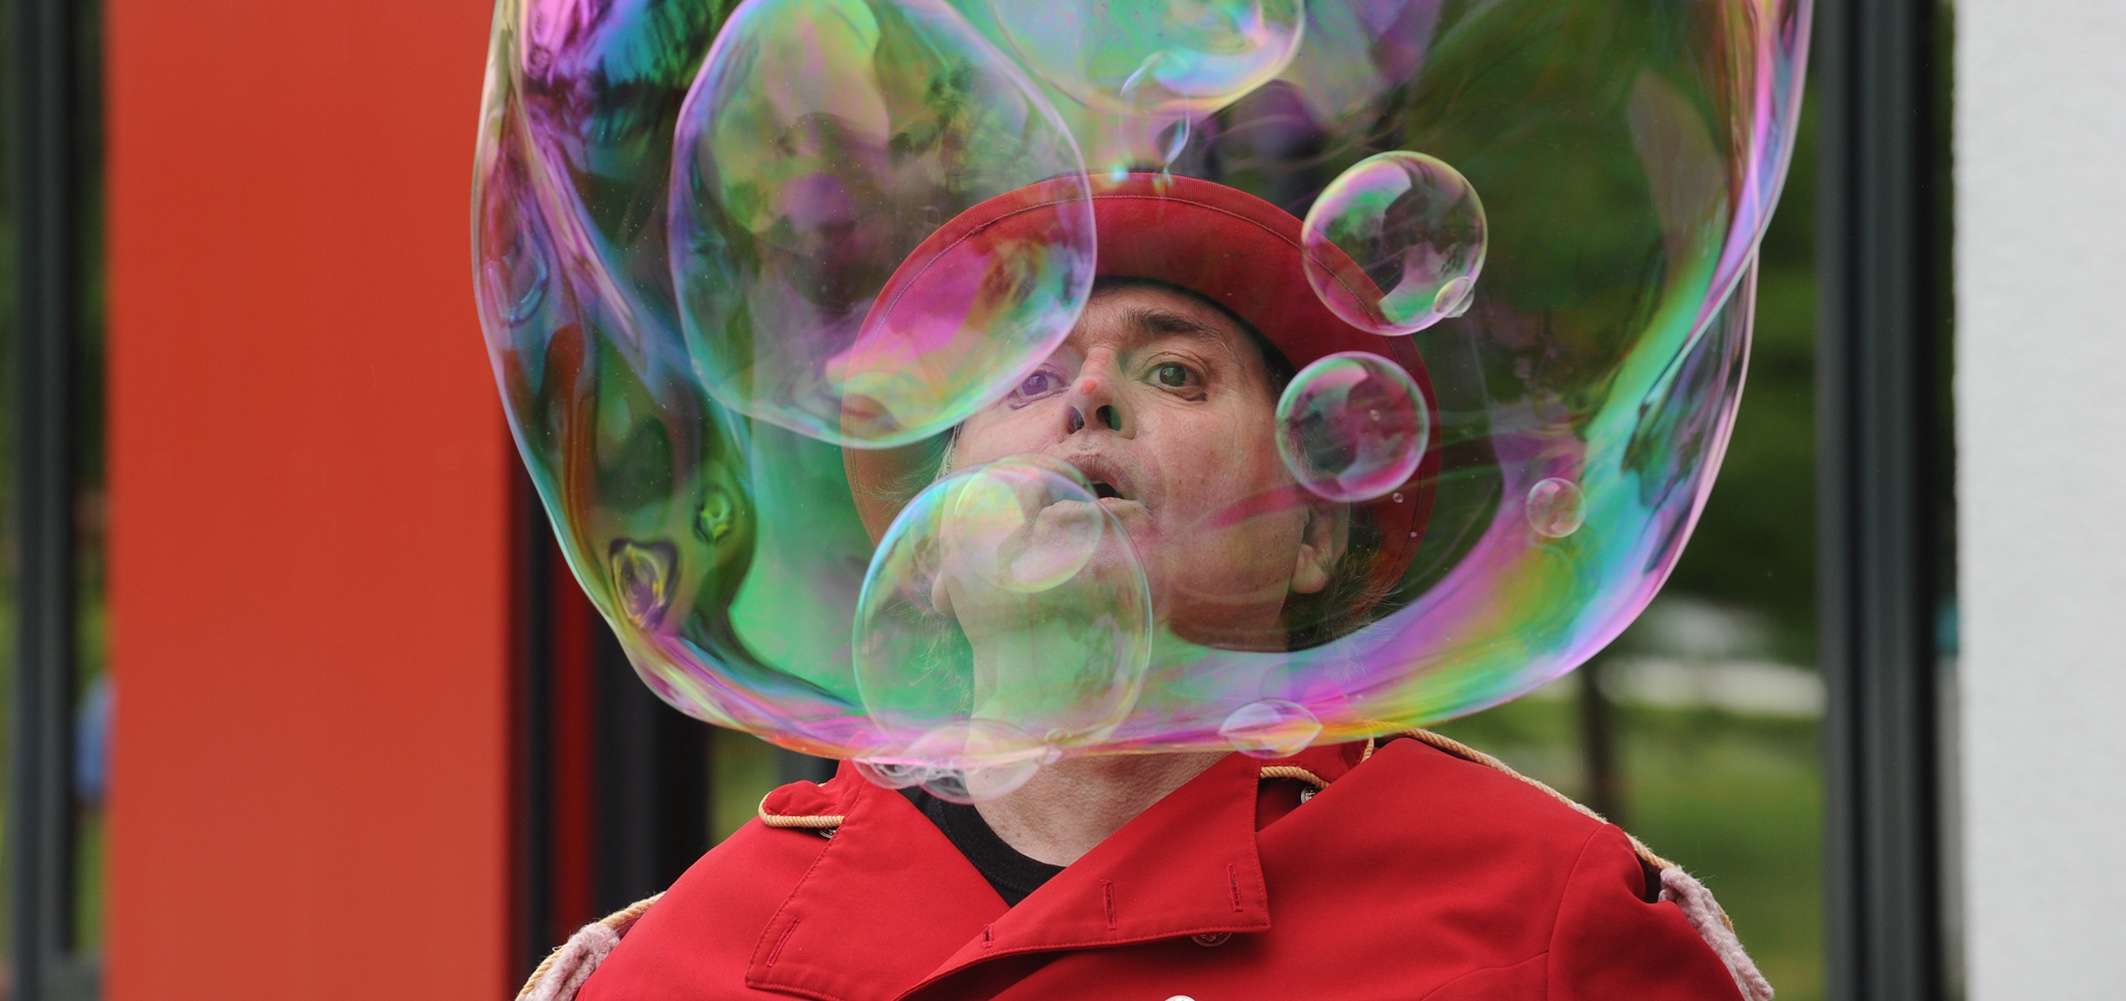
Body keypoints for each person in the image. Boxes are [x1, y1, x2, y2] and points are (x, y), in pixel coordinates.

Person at [521, 176, 1772, 1001]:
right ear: (932, 536)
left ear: (1311, 542)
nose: (1088, 395)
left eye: (1174, 374)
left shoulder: (1538, 913)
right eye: (1021, 381)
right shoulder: (683, 956)